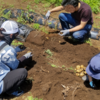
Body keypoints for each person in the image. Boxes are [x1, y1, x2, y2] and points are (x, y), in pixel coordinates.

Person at [0, 20, 32, 97]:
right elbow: (15, 66)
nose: (16, 36)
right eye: (16, 34)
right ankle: (11, 91)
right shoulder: (8, 50)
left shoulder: (6, 48)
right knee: (22, 72)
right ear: (11, 35)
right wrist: (24, 57)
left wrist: (15, 50)